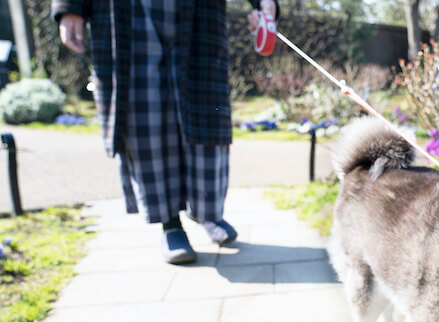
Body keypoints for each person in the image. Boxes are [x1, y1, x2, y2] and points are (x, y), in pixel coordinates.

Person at [53, 0, 279, 264]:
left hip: (199, 12)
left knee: (205, 112)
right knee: (144, 115)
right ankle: (170, 223)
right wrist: (68, 6)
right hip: (130, 12)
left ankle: (207, 210)